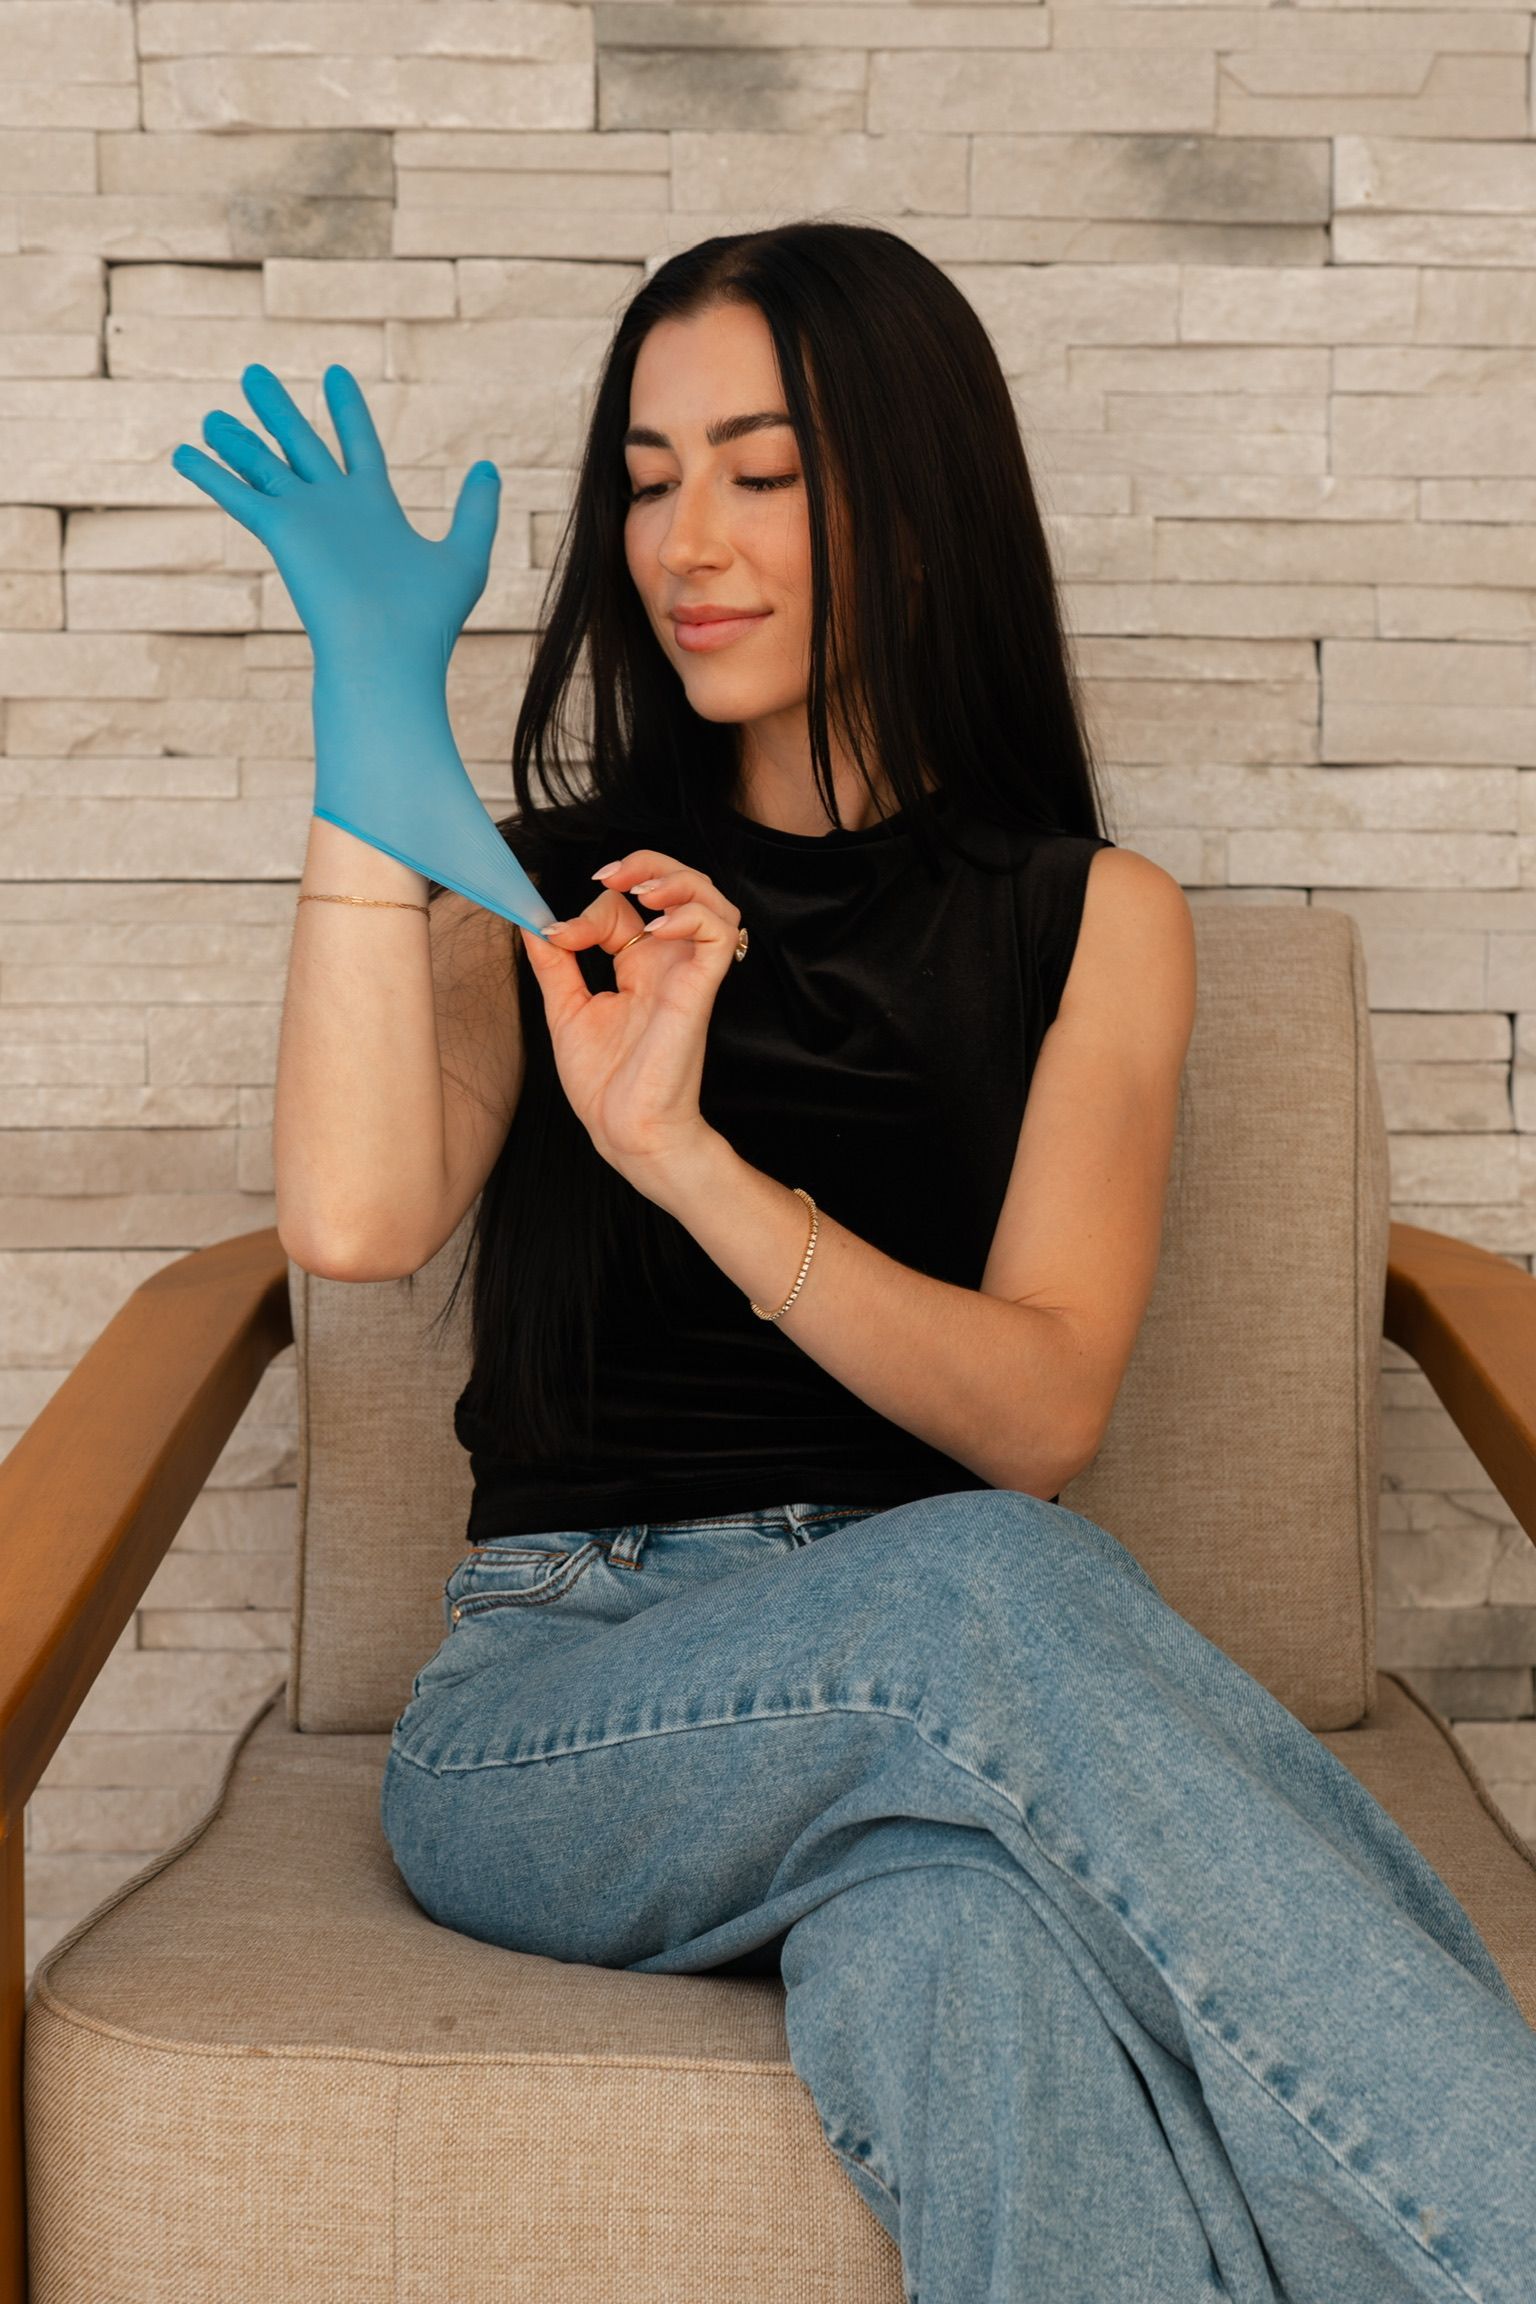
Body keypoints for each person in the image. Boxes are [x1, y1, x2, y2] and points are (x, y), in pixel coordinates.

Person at [178, 222, 1536, 2303]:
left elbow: (1040, 1415)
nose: (684, 539)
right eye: (644, 474)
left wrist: (684, 1160)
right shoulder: (558, 893)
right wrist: (372, 726)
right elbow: (353, 1222)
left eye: (762, 468)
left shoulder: (1092, 919)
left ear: (911, 506)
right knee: (998, 1589)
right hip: (559, 1712)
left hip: (949, 1703)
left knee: (954, 1949)